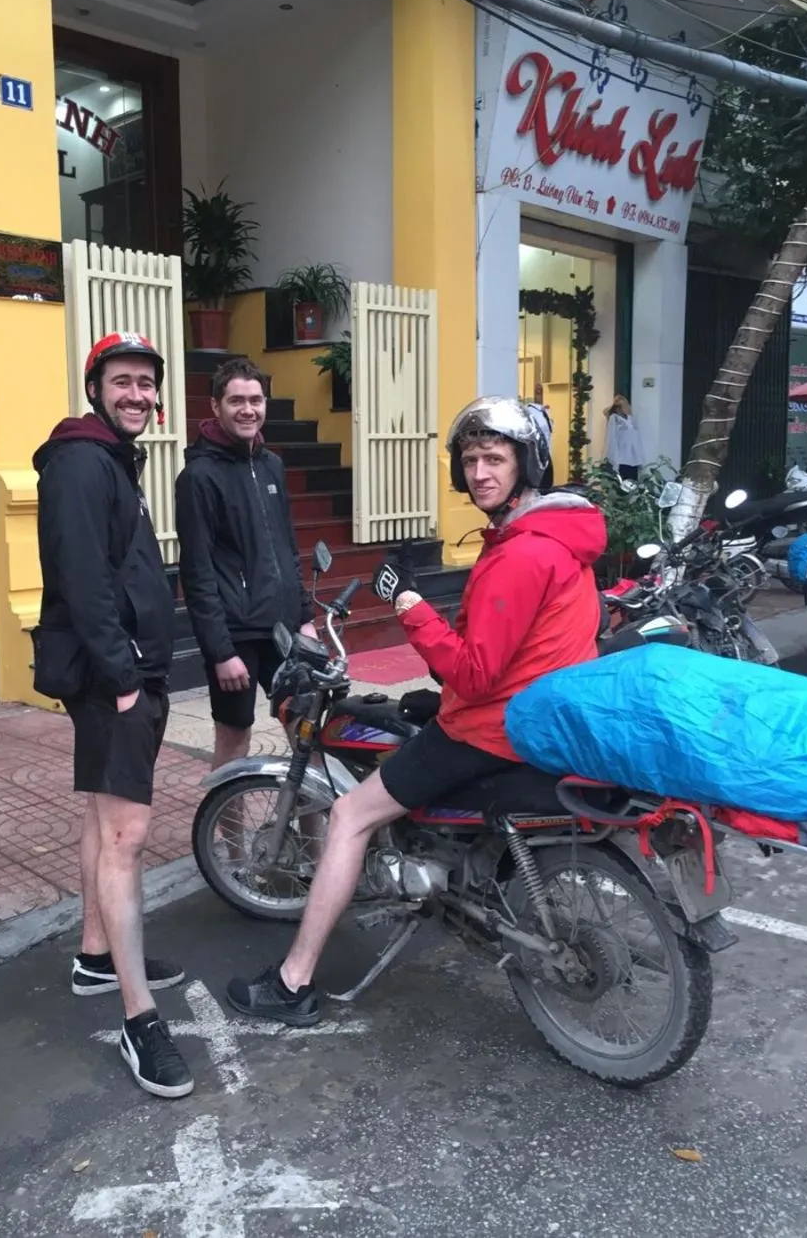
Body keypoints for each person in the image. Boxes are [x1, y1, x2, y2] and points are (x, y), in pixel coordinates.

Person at [225, 395, 607, 1026]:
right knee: (417, 714)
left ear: (526, 466)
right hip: (541, 717)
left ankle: (292, 985)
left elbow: (474, 673)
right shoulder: (559, 538)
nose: (480, 472)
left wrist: (408, 605)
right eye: (471, 460)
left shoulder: (521, 552)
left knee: (349, 815)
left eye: (495, 458)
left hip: (494, 728)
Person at [33, 330, 193, 1099]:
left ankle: (96, 955)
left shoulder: (107, 458)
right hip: (112, 680)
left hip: (120, 674)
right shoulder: (79, 461)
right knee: (126, 836)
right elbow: (82, 577)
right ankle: (139, 1018)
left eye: (145, 384)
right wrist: (125, 678)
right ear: (96, 386)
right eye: (123, 381)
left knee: (103, 818)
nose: (137, 394)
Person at [175, 357, 319, 790]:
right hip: (236, 636)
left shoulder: (271, 464)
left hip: (285, 629)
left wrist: (305, 616)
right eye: (236, 400)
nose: (247, 409)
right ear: (215, 405)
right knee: (234, 740)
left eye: (255, 400)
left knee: (305, 733)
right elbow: (197, 572)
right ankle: (230, 847)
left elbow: (288, 546)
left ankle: (315, 834)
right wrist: (220, 651)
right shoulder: (198, 477)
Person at [605, 394, 645, 482]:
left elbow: (636, 441)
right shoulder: (615, 419)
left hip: (633, 460)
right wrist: (613, 460)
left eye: (628, 404)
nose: (628, 407)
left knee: (633, 486)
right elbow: (612, 439)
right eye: (625, 405)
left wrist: (640, 459)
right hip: (621, 460)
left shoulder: (631, 420)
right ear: (618, 408)